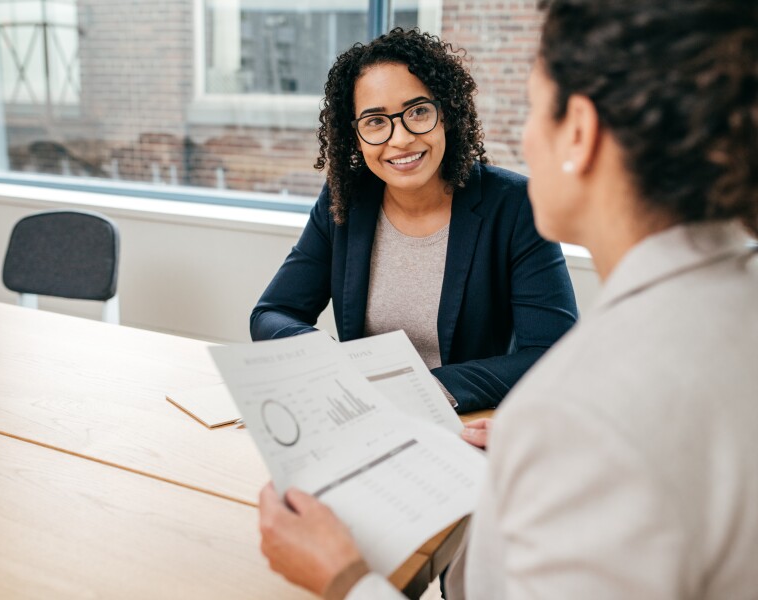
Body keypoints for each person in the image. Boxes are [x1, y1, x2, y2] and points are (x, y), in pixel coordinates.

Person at [257, 0, 758, 598]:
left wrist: (344, 580)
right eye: (375, 121)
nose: (521, 135)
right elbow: (273, 311)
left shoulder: (579, 408)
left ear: (578, 131)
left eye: (530, 108)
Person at [250, 28, 578, 413]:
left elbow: (553, 353)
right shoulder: (345, 202)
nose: (401, 138)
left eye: (418, 111)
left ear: (447, 115)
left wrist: (423, 390)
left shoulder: (516, 206)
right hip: (367, 417)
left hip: (468, 421)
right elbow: (271, 314)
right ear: (354, 136)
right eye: (375, 121)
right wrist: (327, 360)